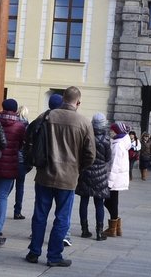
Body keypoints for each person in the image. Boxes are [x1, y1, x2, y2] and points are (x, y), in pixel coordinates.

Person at [25, 86, 95, 267]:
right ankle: (54, 256)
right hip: (68, 177)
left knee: (40, 215)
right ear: (78, 102)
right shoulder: (84, 122)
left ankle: (34, 252)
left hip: (44, 174)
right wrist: (78, 168)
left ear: (63, 98)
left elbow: (30, 134)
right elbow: (90, 154)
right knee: (62, 217)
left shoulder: (47, 116)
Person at [0, 98, 25, 248]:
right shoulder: (20, 126)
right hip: (10, 166)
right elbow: (21, 145)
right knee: (3, 196)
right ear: (16, 110)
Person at [75, 113, 110, 241]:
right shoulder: (106, 139)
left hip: (86, 171)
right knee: (99, 203)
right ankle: (99, 232)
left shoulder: (86, 136)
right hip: (100, 173)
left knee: (84, 201)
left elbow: (81, 154)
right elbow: (108, 158)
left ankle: (84, 229)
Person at [103, 121, 131, 237]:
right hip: (118, 177)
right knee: (113, 201)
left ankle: (113, 227)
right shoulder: (120, 142)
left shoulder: (118, 144)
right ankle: (117, 227)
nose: (110, 132)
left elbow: (115, 165)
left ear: (117, 131)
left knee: (109, 202)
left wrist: (109, 182)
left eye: (112, 130)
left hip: (115, 178)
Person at [12, 104, 31, 220]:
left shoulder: (13, 124)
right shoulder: (27, 127)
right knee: (20, 186)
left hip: (11, 159)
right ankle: (17, 211)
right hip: (22, 161)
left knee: (6, 188)